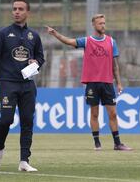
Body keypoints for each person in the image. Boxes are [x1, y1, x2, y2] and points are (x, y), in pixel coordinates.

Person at [46, 14, 132, 151]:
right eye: (100, 23)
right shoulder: (87, 41)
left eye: (104, 23)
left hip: (107, 83)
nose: (103, 25)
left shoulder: (111, 42)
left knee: (113, 114)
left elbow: (114, 65)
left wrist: (119, 83)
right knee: (94, 114)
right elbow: (69, 41)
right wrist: (55, 34)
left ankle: (117, 143)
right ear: (94, 25)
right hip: (92, 84)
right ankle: (97, 143)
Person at [0, 0, 45, 171]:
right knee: (6, 120)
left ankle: (24, 161)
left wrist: (36, 63)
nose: (16, 12)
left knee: (27, 121)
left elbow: (41, 57)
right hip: (8, 84)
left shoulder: (34, 36)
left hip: (27, 85)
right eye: (14, 9)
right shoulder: (3, 34)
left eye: (20, 9)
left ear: (27, 12)